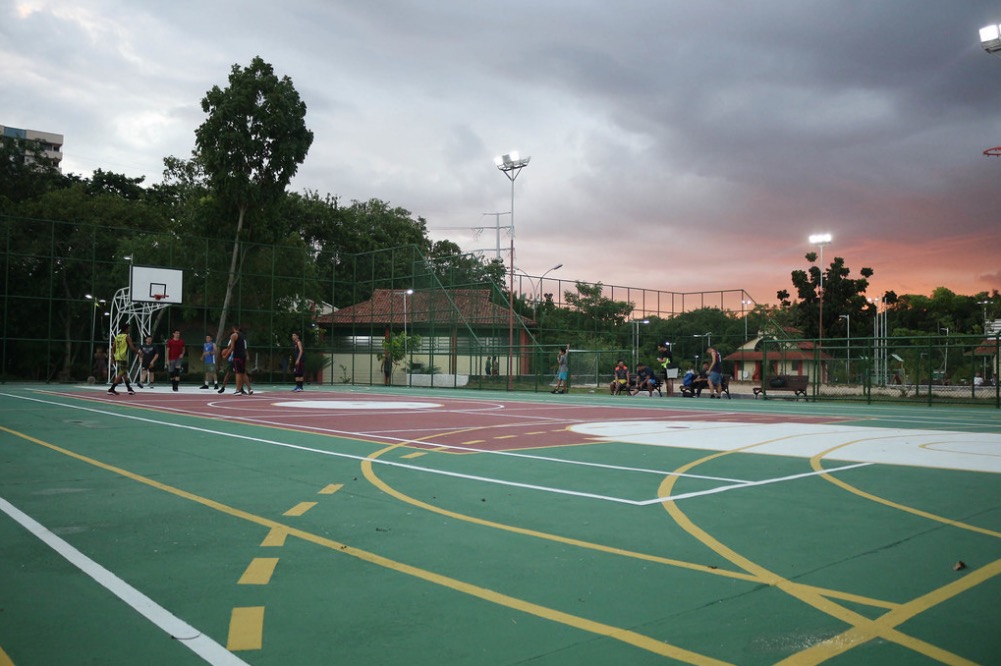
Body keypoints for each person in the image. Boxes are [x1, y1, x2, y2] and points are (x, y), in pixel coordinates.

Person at [221, 324, 253, 395]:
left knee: (238, 373)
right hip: (243, 356)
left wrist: (226, 355)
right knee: (243, 373)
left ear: (233, 328)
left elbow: (232, 347)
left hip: (237, 356)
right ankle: (249, 389)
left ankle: (238, 390)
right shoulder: (242, 336)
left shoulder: (233, 336)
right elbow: (245, 348)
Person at [108, 323, 138, 395]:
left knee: (124, 373)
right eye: (129, 328)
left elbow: (113, 348)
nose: (130, 330)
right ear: (126, 329)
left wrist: (112, 358)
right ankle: (112, 388)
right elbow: (132, 347)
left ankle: (129, 388)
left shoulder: (117, 336)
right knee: (122, 372)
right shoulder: (127, 337)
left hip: (117, 356)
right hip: (123, 356)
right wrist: (139, 352)